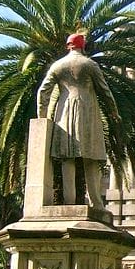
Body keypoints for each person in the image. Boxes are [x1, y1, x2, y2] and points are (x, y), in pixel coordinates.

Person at [37, 33, 118, 209]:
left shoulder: (58, 66)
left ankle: (69, 202)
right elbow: (105, 90)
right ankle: (96, 203)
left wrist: (41, 116)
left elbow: (43, 91)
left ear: (68, 46)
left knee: (68, 158)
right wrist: (114, 111)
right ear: (83, 46)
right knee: (91, 158)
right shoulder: (90, 64)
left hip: (64, 112)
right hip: (88, 111)